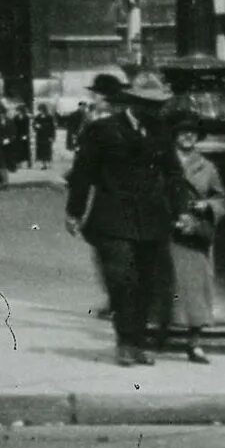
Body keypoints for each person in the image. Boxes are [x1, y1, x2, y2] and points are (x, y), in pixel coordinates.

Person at [65, 71, 185, 367]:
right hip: (113, 218)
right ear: (135, 102)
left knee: (148, 282)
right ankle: (124, 340)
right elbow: (83, 174)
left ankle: (140, 341)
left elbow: (173, 174)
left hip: (152, 219)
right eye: (150, 104)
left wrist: (180, 210)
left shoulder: (161, 132)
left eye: (159, 105)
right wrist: (74, 212)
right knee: (120, 280)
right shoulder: (103, 130)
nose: (156, 110)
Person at [162, 120, 225, 364]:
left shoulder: (207, 167)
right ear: (174, 134)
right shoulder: (164, 163)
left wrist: (207, 205)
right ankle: (158, 335)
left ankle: (194, 342)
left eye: (192, 132)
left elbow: (221, 198)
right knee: (164, 283)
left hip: (193, 233)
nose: (188, 136)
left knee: (196, 287)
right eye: (182, 131)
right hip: (167, 230)